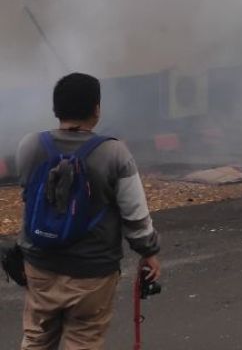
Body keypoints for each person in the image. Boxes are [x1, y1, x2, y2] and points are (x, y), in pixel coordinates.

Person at [17, 73, 161, 349]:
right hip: (92, 271)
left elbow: (29, 194)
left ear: (55, 109)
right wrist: (149, 252)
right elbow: (135, 215)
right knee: (83, 340)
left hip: (39, 263)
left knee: (36, 338)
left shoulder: (30, 145)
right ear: (96, 109)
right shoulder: (114, 153)